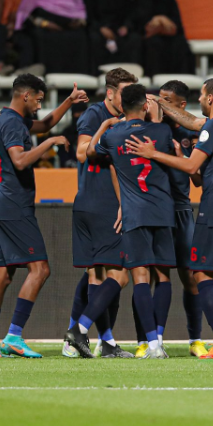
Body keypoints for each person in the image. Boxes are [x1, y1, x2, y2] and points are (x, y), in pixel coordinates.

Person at [125, 78, 213, 360]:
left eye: (202, 95)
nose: (200, 100)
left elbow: (193, 167)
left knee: (201, 273)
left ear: (210, 99)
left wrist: (153, 152)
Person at [0, 74, 88, 359]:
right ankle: (13, 336)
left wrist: (68, 101)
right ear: (25, 95)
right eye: (38, 99)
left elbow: (47, 123)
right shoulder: (13, 122)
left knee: (3, 274)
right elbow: (21, 160)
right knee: (40, 269)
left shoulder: (7, 116)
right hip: (14, 205)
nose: (39, 105)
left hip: (2, 201)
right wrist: (49, 143)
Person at [65, 83, 177, 359]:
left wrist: (105, 127)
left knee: (136, 278)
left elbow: (90, 152)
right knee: (160, 276)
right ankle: (153, 345)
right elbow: (165, 145)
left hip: (132, 212)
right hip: (161, 211)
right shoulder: (162, 131)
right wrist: (157, 116)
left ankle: (148, 345)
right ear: (145, 105)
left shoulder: (114, 136)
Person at [61, 68, 137, 359]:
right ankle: (83, 334)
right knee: (118, 275)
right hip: (101, 203)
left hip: (95, 202)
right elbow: (81, 153)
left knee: (95, 276)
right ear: (110, 92)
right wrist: (106, 126)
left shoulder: (124, 118)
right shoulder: (95, 115)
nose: (129, 98)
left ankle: (93, 341)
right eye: (124, 93)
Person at [13, 0, 89, 74]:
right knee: (40, 36)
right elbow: (25, 17)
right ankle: (47, 76)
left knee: (81, 36)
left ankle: (79, 79)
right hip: (44, 28)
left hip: (69, 28)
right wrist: (44, 23)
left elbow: (80, 9)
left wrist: (79, 22)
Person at [127, 0, 194, 77]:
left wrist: (162, 20)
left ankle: (183, 84)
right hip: (148, 39)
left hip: (170, 38)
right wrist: (155, 21)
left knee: (181, 44)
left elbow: (177, 26)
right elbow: (137, 24)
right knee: (153, 45)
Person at [83, 0, 137, 72]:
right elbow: (88, 15)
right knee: (94, 39)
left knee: (133, 39)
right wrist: (100, 28)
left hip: (118, 29)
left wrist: (126, 26)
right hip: (98, 29)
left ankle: (129, 77)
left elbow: (129, 13)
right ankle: (97, 77)